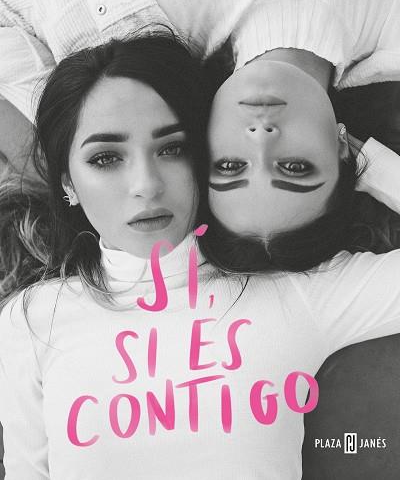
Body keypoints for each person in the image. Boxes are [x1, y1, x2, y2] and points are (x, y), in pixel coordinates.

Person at [2, 37, 400, 480]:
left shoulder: (292, 294)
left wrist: (353, 155)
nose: (146, 185)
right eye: (106, 157)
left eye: (172, 149)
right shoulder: (32, 321)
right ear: (67, 183)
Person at [1, 0, 400, 271]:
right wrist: (379, 169)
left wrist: (66, 131)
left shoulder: (136, 17)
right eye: (295, 167)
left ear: (202, 144)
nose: (261, 139)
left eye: (230, 166)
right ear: (343, 151)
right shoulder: (391, 32)